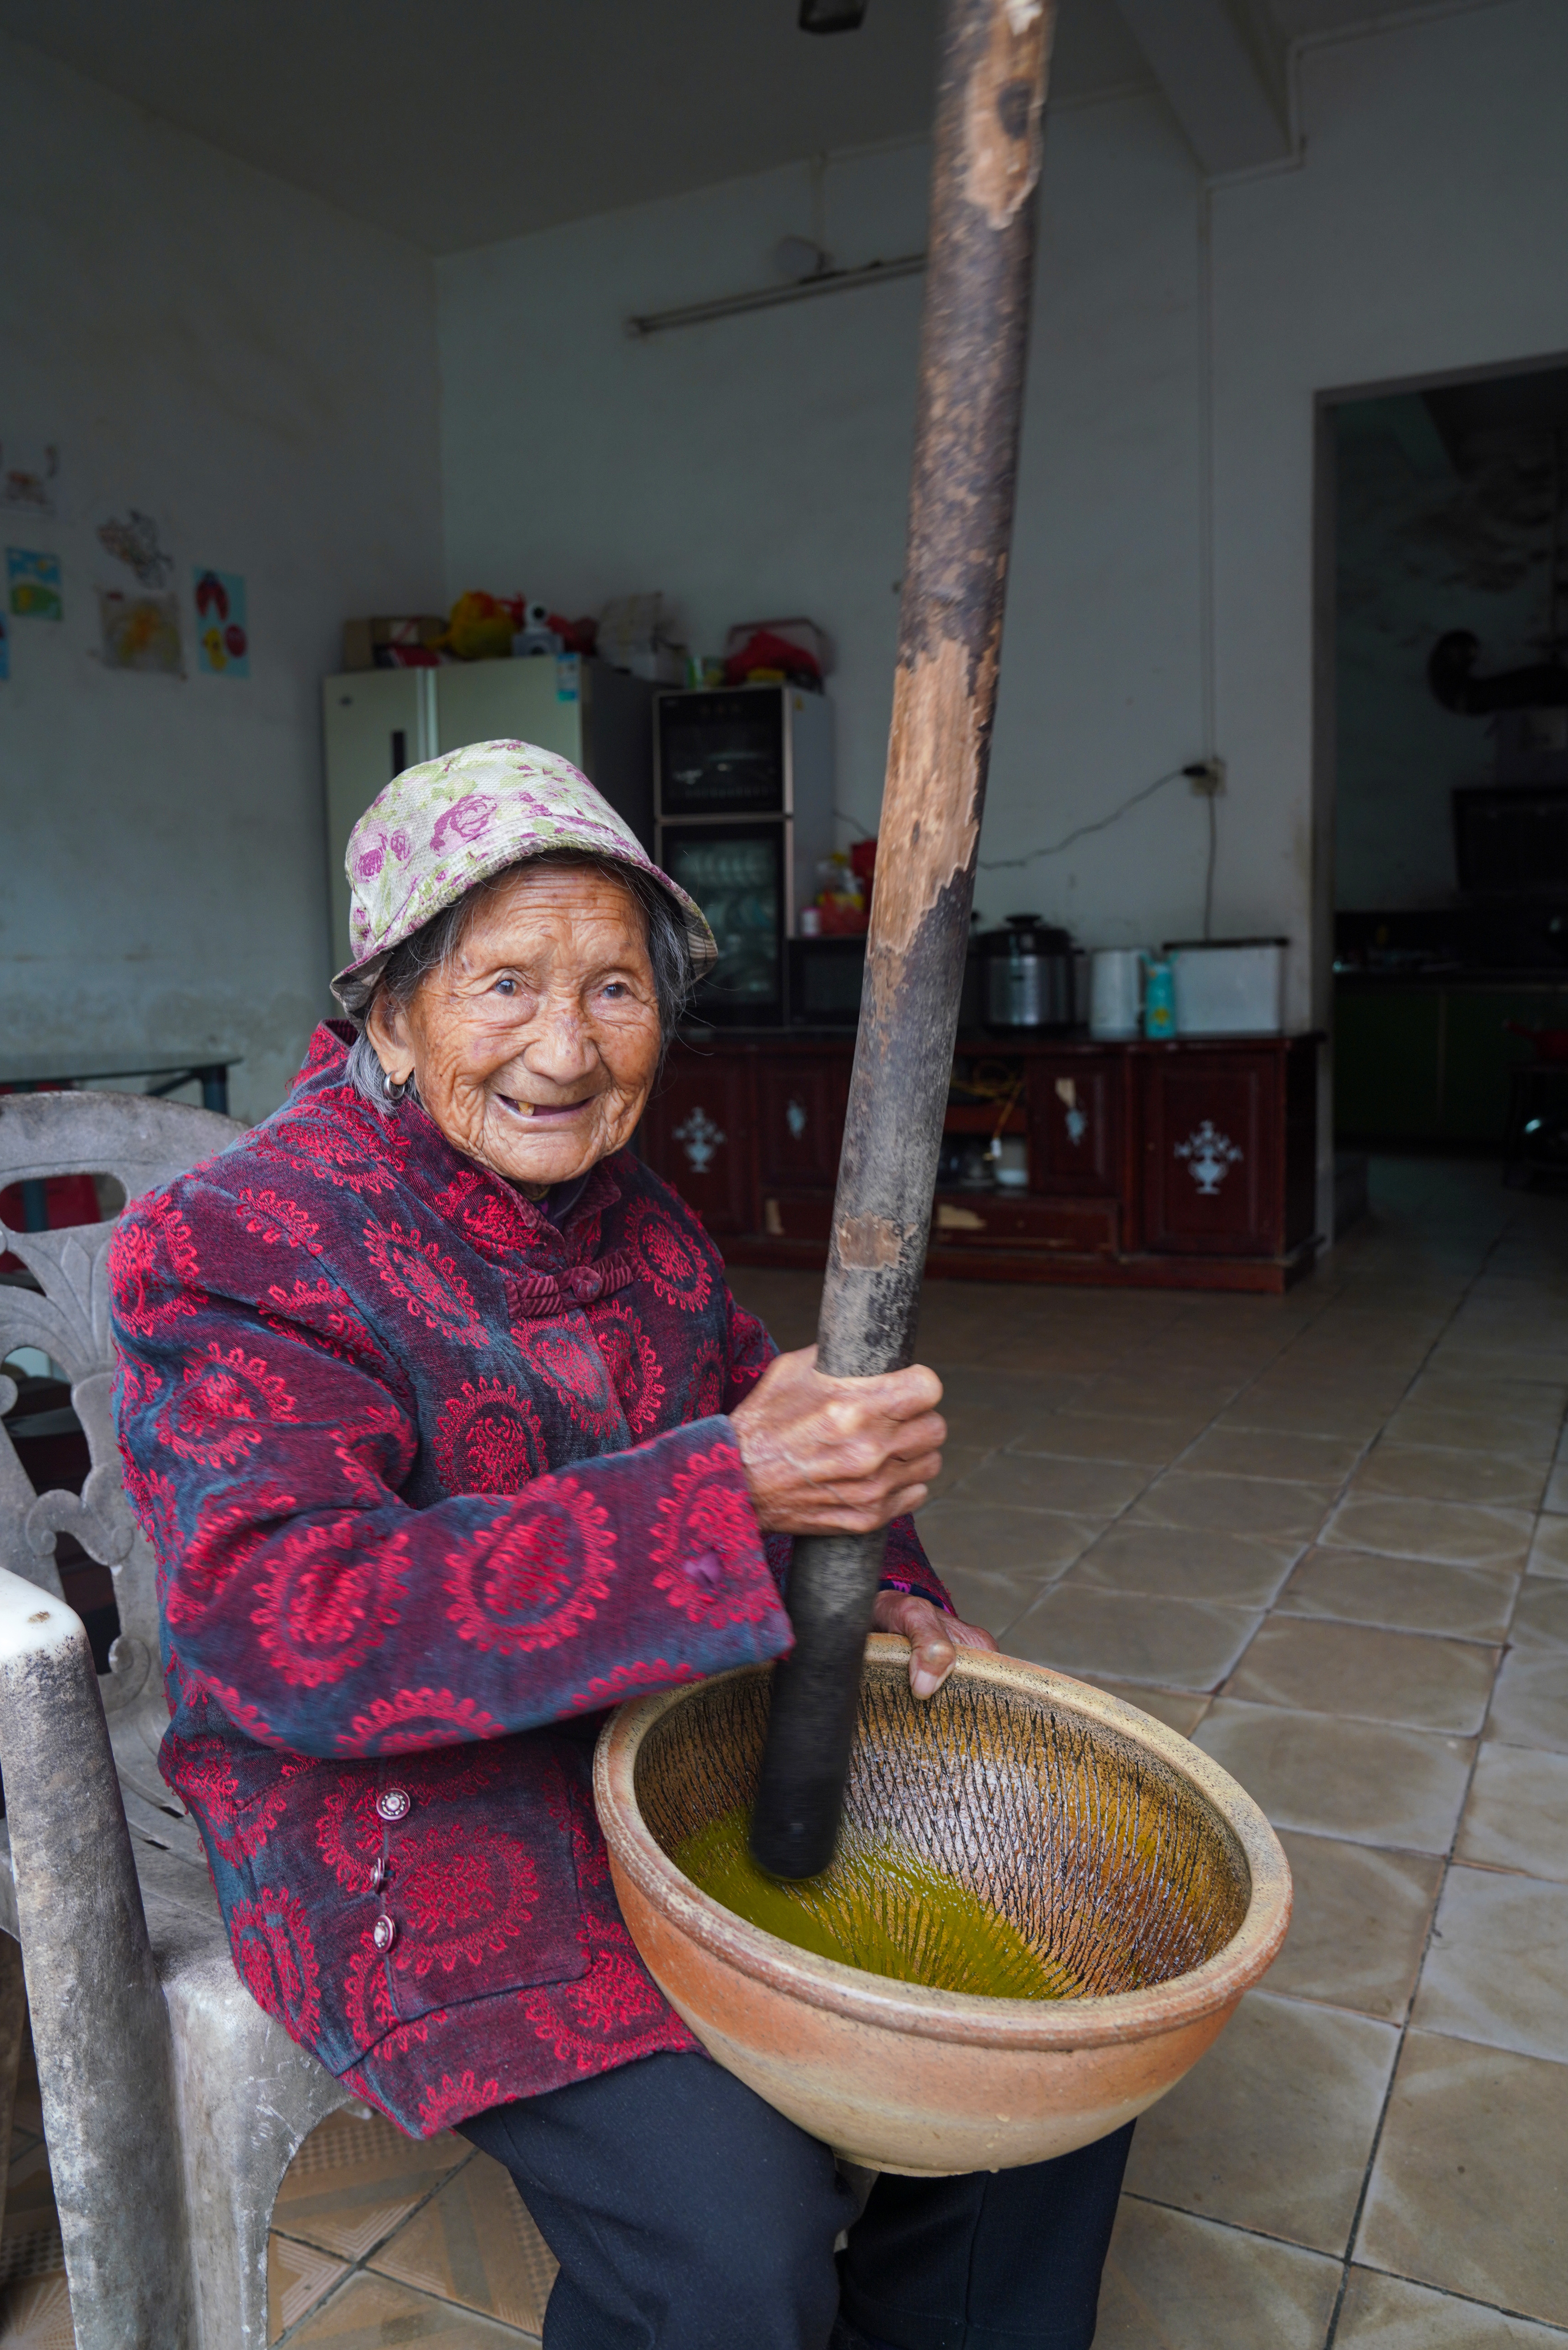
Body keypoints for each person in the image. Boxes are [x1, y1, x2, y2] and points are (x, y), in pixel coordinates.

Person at [111, 740, 1131, 2350]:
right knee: (735, 2234)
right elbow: (286, 1625)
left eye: (616, 991)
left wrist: (906, 1600)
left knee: (1040, 2056)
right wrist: (732, 1488)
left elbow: (768, 1416)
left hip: (664, 1738)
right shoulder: (246, 1237)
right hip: (404, 1808)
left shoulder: (632, 1210)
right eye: (503, 984)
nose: (565, 1051)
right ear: (388, 1010)